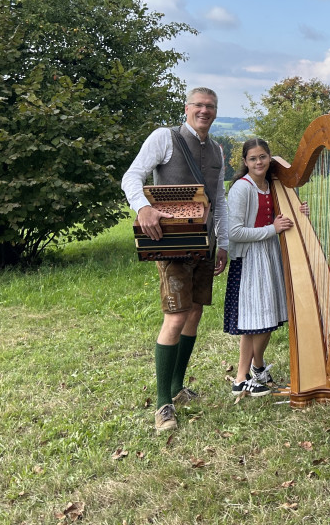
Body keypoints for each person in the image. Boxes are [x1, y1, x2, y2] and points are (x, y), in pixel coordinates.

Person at [122, 87, 229, 433]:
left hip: (205, 244)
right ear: (187, 108)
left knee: (195, 312)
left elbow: (220, 201)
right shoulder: (164, 138)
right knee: (175, 316)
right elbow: (131, 177)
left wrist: (223, 243)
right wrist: (143, 208)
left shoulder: (216, 150)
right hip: (171, 245)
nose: (204, 111)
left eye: (210, 106)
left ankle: (177, 388)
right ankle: (162, 404)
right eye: (199, 105)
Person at [224, 139, 292, 398]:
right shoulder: (243, 188)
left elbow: (279, 217)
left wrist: (299, 212)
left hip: (269, 254)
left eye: (263, 156)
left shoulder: (271, 186)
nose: (259, 162)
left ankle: (258, 367)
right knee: (256, 320)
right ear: (245, 162)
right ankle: (241, 379)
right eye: (253, 158)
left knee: (267, 318)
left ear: (270, 157)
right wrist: (271, 230)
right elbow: (234, 232)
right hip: (250, 258)